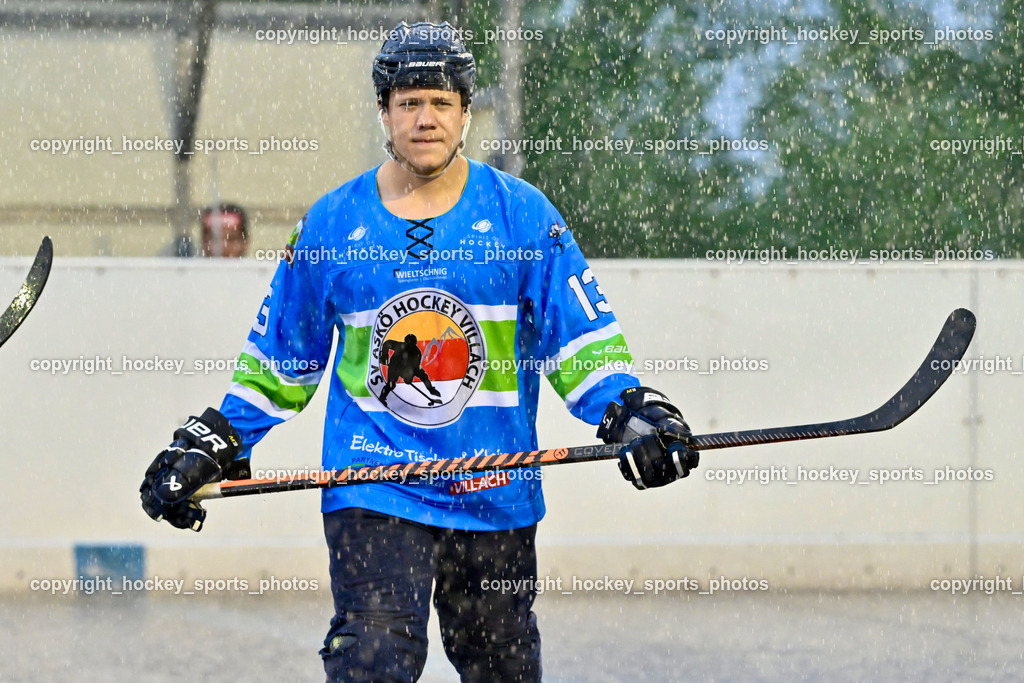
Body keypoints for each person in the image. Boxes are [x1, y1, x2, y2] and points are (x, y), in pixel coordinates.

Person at [139, 21, 699, 683]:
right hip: (374, 486)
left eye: (440, 102)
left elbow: (580, 343)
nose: (425, 118)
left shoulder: (522, 215)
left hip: (494, 485)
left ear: (466, 111)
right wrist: (219, 437)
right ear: (384, 111)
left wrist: (629, 411)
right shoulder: (332, 223)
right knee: (371, 659)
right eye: (408, 102)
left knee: (503, 667)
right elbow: (281, 359)